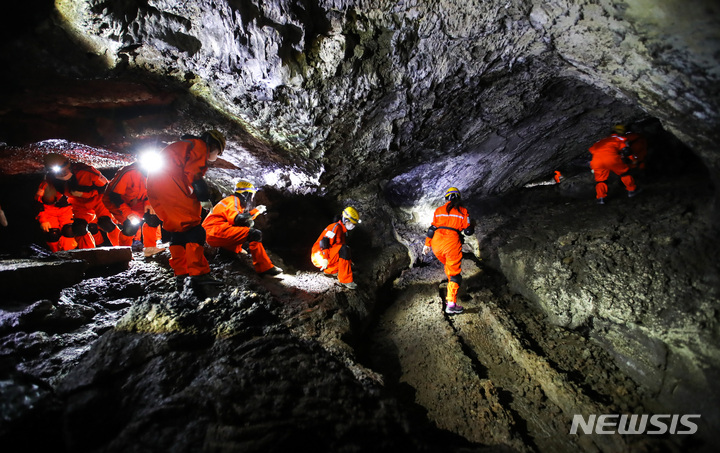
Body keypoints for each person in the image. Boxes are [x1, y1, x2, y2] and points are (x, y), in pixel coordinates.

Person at [146, 130, 226, 290]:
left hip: (157, 189)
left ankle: (181, 275)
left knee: (178, 231)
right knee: (194, 231)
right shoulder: (199, 146)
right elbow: (194, 173)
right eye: (218, 152)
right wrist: (203, 197)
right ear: (213, 144)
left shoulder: (182, 146)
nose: (217, 155)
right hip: (173, 186)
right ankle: (199, 275)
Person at [202, 180, 282, 276]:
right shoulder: (233, 200)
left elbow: (241, 220)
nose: (251, 199)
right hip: (214, 232)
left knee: (248, 224)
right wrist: (257, 210)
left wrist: (256, 212)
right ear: (246, 194)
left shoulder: (233, 202)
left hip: (213, 233)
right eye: (251, 195)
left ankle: (230, 251)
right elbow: (238, 219)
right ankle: (264, 268)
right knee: (255, 234)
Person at [43, 153, 120, 248]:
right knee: (78, 228)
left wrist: (84, 193)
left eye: (63, 169)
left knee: (105, 223)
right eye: (57, 171)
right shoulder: (53, 180)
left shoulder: (86, 172)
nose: (62, 173)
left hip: (99, 199)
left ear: (68, 165)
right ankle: (89, 254)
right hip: (79, 203)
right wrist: (49, 193)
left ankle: (123, 247)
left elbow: (106, 187)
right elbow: (50, 199)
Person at [422, 187, 474, 314]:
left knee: (448, 267)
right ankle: (451, 304)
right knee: (455, 274)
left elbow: (432, 228)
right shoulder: (463, 211)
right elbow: (468, 231)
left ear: (446, 198)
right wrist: (472, 224)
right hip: (451, 244)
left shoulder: (439, 210)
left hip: (436, 244)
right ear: (458, 198)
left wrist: (427, 244)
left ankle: (450, 284)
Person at [102, 161, 163, 257]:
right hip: (117, 201)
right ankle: (123, 253)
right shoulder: (129, 172)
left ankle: (150, 248)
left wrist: (148, 203)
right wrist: (128, 213)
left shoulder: (156, 174)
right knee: (130, 226)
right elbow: (114, 196)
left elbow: (151, 192)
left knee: (153, 217)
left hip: (138, 201)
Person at [589, 126, 641, 205]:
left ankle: (600, 198)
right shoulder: (619, 139)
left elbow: (592, 150)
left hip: (596, 161)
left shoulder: (601, 141)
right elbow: (627, 151)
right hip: (611, 159)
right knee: (624, 173)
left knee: (601, 180)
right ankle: (632, 190)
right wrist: (633, 160)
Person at [311, 207, 360, 289]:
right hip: (319, 255)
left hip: (326, 254)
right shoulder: (335, 227)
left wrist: (349, 261)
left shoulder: (342, 230)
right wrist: (325, 259)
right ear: (346, 220)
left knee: (345, 259)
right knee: (345, 249)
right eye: (352, 223)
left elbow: (338, 250)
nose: (353, 226)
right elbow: (324, 241)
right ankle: (346, 280)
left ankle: (330, 271)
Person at [34, 180, 77, 251]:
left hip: (65, 210)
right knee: (52, 234)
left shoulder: (68, 181)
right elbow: (37, 202)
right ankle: (56, 253)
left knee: (69, 230)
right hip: (48, 211)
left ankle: (69, 252)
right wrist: (43, 220)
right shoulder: (44, 185)